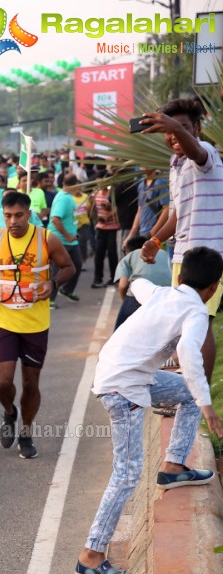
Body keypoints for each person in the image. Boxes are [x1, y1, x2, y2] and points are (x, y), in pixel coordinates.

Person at [76, 247, 223, 574]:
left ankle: (173, 467)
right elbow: (188, 353)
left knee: (184, 391)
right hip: (121, 387)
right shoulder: (197, 312)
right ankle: (91, 556)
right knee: (127, 474)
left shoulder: (162, 292)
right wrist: (208, 405)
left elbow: (136, 285)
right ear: (215, 287)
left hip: (120, 372)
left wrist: (143, 261)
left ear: (180, 275)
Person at [0, 191, 76, 459]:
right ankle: (10, 413)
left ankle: (26, 431)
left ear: (29, 213)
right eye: (8, 215)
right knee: (3, 382)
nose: (13, 221)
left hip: (35, 322)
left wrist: (53, 283)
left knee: (31, 383)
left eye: (18, 215)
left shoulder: (47, 238)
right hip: (3, 319)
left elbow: (68, 267)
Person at [140, 97, 223, 384]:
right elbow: (177, 213)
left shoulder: (205, 154)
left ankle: (196, 397)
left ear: (197, 128)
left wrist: (175, 126)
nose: (174, 136)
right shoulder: (175, 164)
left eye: (182, 128)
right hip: (183, 254)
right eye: (169, 132)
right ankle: (185, 390)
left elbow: (196, 151)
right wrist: (156, 241)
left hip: (208, 253)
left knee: (200, 323)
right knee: (186, 324)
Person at [115, 234, 172, 329]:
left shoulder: (129, 256)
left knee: (118, 335)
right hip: (166, 297)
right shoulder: (166, 254)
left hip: (136, 299)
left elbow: (123, 285)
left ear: (127, 251)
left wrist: (126, 302)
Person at [49, 174, 85, 299]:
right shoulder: (63, 198)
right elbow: (55, 219)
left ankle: (67, 290)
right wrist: (67, 235)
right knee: (57, 270)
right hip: (60, 240)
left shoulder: (68, 197)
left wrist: (73, 233)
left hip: (71, 240)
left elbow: (69, 218)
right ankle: (51, 298)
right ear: (75, 184)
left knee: (77, 265)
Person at [91, 184, 120, 290]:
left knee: (112, 254)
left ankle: (114, 278)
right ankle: (97, 278)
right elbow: (92, 208)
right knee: (99, 253)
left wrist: (108, 216)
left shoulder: (113, 194)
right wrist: (97, 219)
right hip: (100, 227)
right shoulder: (96, 194)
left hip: (113, 227)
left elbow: (117, 207)